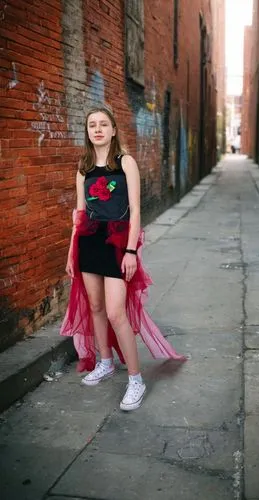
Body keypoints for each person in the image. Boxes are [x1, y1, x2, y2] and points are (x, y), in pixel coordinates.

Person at [60, 105, 185, 411]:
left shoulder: (125, 163)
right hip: (88, 242)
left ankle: (135, 379)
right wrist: (70, 250)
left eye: (104, 124)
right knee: (97, 307)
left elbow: (136, 211)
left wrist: (131, 251)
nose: (98, 129)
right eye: (92, 125)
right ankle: (105, 361)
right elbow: (78, 213)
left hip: (116, 243)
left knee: (117, 312)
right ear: (87, 132)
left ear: (113, 130)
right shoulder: (83, 167)